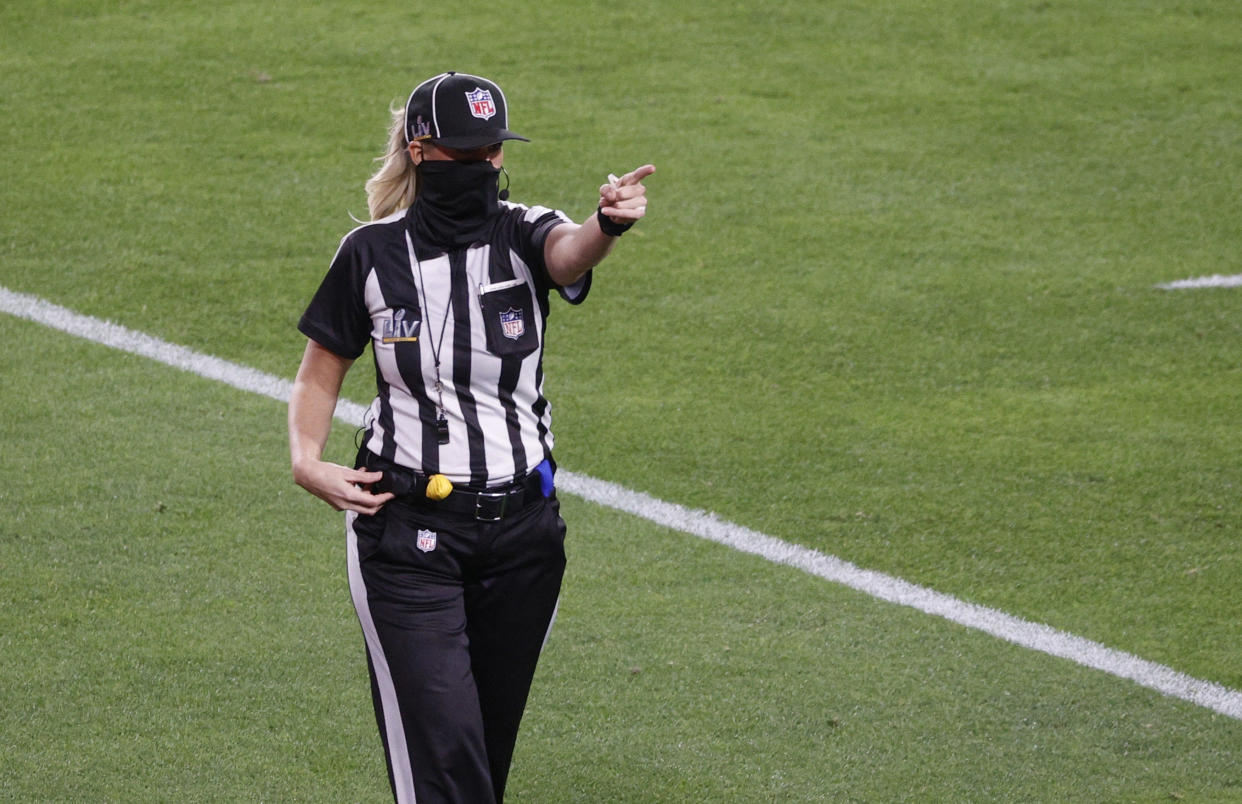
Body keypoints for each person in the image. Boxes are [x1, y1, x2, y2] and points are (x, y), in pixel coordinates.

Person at [287, 70, 654, 804]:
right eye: (468, 151)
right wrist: (306, 461)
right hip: (409, 535)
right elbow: (320, 371)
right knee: (447, 770)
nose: (485, 164)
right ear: (421, 151)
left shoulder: (523, 231)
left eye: (493, 149)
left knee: (483, 756)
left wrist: (607, 224)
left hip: (524, 537)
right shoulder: (370, 254)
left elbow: (568, 254)